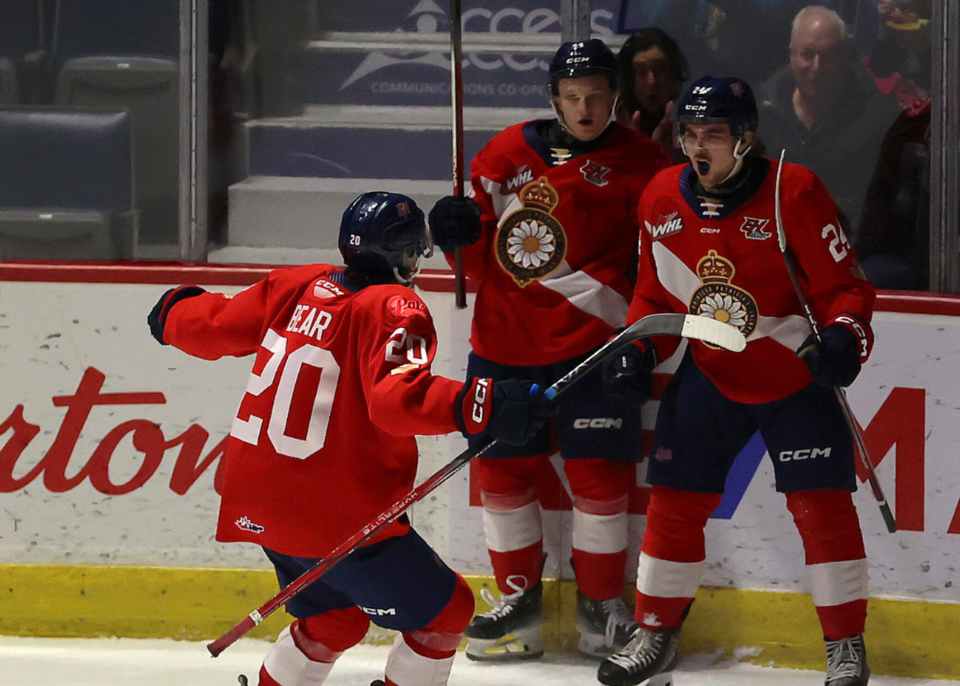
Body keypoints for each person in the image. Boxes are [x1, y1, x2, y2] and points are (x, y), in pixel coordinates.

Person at [146, 191, 559, 686]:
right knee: (446, 614)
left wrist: (174, 314)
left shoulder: (298, 283)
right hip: (333, 515)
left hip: (255, 502)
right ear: (403, 256)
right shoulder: (396, 305)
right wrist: (481, 404)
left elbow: (214, 325)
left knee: (332, 618)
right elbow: (396, 400)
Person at [597, 76, 876, 686]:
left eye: (714, 136)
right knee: (673, 503)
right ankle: (655, 634)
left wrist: (845, 337)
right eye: (690, 135)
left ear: (746, 137)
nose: (699, 149)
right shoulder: (660, 198)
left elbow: (845, 289)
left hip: (793, 374)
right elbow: (654, 296)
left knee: (821, 508)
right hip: (712, 372)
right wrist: (638, 350)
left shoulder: (793, 192)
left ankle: (844, 647)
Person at [428, 39, 671, 662]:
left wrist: (644, 341)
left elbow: (662, 265)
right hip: (506, 344)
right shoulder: (505, 155)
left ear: (615, 95)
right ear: (553, 98)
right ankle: (519, 605)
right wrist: (453, 234)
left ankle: (600, 611)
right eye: (573, 96)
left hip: (596, 346)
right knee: (504, 475)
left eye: (596, 95)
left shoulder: (643, 162)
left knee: (599, 477)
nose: (586, 107)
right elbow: (478, 262)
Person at [757, 5, 901, 240]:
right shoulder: (759, 112)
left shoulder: (878, 118)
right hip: (771, 247)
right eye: (807, 54)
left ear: (845, 57)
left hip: (849, 250)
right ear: (791, 54)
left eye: (828, 56)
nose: (817, 67)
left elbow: (888, 207)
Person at [615, 26, 688, 159]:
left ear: (674, 74)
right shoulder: (611, 129)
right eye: (641, 72)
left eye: (660, 70)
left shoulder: (694, 129)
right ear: (628, 80)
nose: (652, 81)